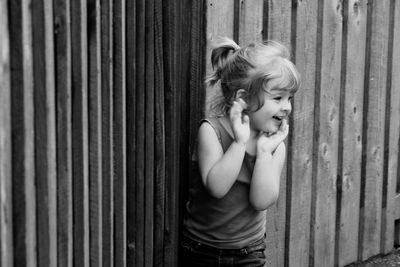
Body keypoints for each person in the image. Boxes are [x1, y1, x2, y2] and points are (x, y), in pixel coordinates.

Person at [181, 37, 301, 267]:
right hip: (200, 248)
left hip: (249, 251)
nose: (287, 107)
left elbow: (261, 200)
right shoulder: (211, 131)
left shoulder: (274, 146)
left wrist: (264, 152)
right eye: (277, 98)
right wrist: (239, 143)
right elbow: (217, 188)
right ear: (243, 98)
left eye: (289, 98)